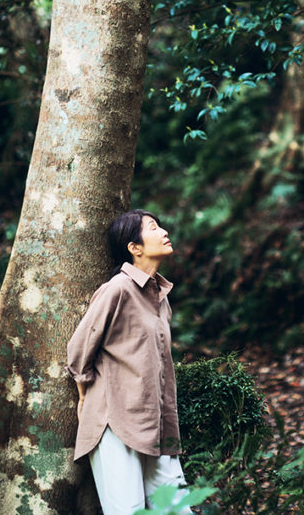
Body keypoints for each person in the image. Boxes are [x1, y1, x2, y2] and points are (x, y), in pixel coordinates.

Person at [66, 209, 189, 515]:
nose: (163, 231)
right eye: (152, 227)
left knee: (178, 510)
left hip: (158, 425)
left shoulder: (161, 297)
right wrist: (84, 393)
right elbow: (79, 349)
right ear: (134, 248)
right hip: (115, 423)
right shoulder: (117, 290)